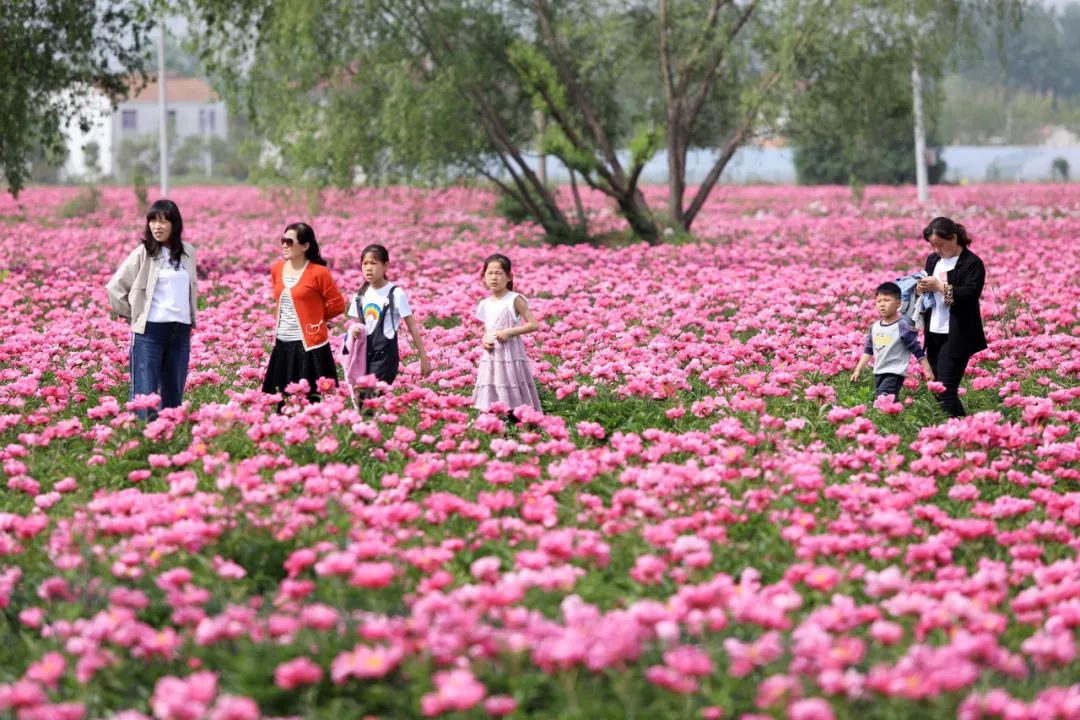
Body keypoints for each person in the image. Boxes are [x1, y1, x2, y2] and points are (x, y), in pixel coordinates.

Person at [106, 199, 197, 420]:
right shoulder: (143, 252)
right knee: (144, 395)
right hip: (150, 332)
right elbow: (114, 287)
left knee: (174, 395)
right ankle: (143, 442)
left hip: (180, 332)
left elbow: (190, 287)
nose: (157, 226)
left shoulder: (188, 252)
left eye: (163, 221)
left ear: (174, 225)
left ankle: (171, 444)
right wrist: (135, 315)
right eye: (153, 221)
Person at [262, 222, 346, 404]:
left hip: (310, 346)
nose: (284, 245)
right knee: (282, 401)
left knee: (312, 400)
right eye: (283, 240)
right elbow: (280, 302)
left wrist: (315, 317)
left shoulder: (319, 272)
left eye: (290, 242)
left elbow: (338, 305)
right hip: (283, 342)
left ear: (305, 246)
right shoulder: (277, 269)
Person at [915, 216, 987, 417]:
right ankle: (963, 427)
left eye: (940, 244)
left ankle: (952, 432)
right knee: (939, 388)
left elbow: (969, 295)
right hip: (934, 330)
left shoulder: (972, 263)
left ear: (954, 237)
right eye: (932, 245)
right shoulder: (933, 260)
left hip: (958, 333)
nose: (936, 249)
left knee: (946, 387)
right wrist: (921, 287)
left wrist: (939, 286)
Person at [345, 244, 432, 390]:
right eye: (364, 264)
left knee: (373, 396)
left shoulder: (395, 294)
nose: (368, 268)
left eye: (373, 263)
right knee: (363, 403)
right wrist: (353, 331)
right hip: (363, 356)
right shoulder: (359, 296)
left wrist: (423, 357)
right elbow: (358, 326)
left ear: (386, 266)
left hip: (385, 357)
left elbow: (411, 326)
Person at [471, 253, 542, 414]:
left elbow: (533, 324)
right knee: (492, 390)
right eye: (490, 273)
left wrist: (510, 331)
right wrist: (484, 340)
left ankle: (518, 422)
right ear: (484, 277)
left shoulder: (514, 299)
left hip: (510, 353)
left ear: (509, 276)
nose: (494, 278)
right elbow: (487, 328)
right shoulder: (485, 303)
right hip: (492, 355)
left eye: (499, 273)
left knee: (512, 387)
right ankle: (493, 424)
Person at [851, 282, 934, 401]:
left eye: (886, 300)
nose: (882, 305)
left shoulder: (902, 326)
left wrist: (927, 370)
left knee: (882, 400)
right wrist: (858, 369)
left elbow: (917, 349)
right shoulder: (875, 327)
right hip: (879, 371)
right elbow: (868, 350)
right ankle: (897, 415)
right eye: (879, 301)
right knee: (889, 401)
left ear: (898, 303)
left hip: (894, 372)